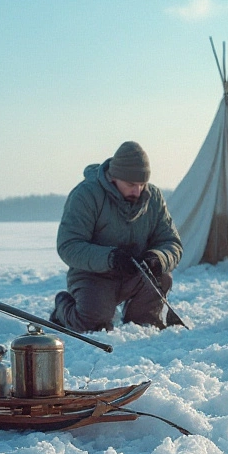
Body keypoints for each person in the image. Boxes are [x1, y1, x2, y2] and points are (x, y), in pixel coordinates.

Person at [50, 141, 183, 332]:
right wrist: (110, 258)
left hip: (136, 273)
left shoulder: (153, 197)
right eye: (130, 184)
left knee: (160, 280)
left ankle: (140, 317)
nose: (137, 191)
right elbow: (68, 245)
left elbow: (171, 242)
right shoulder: (86, 195)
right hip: (93, 274)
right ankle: (62, 308)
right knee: (92, 325)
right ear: (113, 177)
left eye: (142, 184)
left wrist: (158, 258)